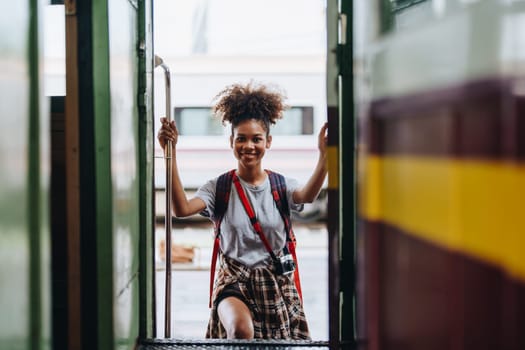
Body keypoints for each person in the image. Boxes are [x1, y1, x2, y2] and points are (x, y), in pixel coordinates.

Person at [157, 81, 328, 340]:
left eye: (256, 139)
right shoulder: (220, 187)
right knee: (240, 330)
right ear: (231, 141)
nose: (249, 146)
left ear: (268, 142)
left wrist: (325, 158)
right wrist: (171, 152)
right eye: (242, 138)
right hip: (233, 281)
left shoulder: (281, 186)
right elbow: (181, 209)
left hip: (274, 284)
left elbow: (308, 195)